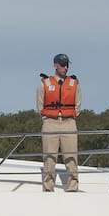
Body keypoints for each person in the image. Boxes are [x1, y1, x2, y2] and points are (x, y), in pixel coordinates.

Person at [36, 53, 81, 192]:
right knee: (49, 158)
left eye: (67, 64)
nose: (65, 67)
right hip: (50, 122)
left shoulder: (74, 84)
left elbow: (77, 105)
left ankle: (73, 187)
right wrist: (48, 119)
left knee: (71, 157)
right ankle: (48, 188)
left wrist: (69, 118)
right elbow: (40, 105)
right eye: (62, 65)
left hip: (69, 122)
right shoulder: (44, 84)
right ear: (55, 65)